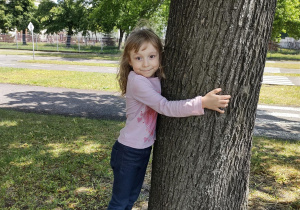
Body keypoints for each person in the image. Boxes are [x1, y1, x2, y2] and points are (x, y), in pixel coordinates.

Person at [107, 28, 231, 210]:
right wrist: (202, 102)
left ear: (159, 56)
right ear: (129, 60)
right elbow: (165, 107)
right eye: (138, 58)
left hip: (141, 150)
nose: (146, 64)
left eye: (151, 56)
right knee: (120, 202)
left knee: (130, 199)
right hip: (128, 152)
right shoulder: (138, 82)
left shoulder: (151, 78)